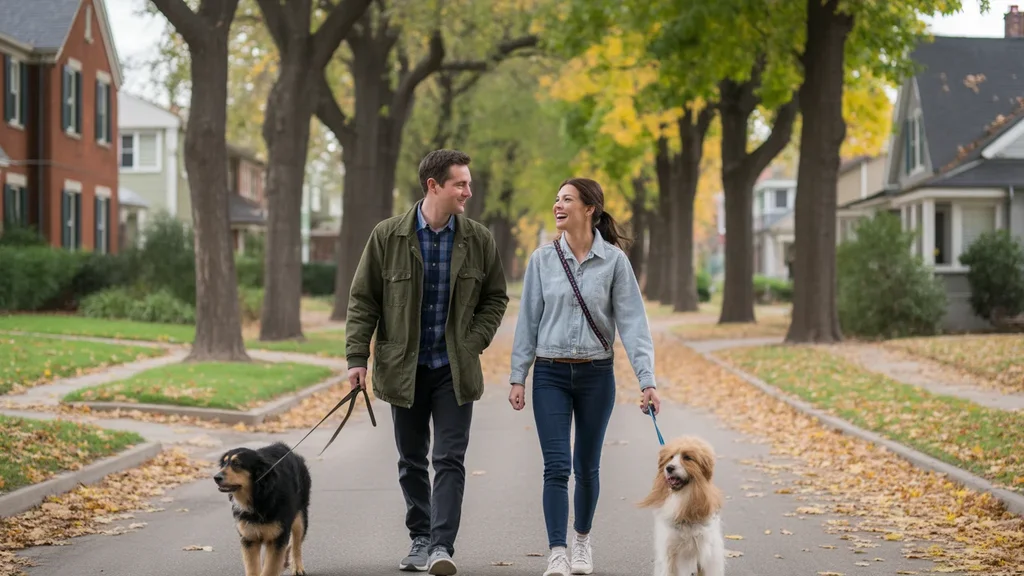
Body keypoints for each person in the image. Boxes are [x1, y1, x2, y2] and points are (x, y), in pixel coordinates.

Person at [345, 149, 509, 575]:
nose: (468, 192)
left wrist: (473, 341)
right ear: (434, 185)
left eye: (468, 184)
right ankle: (419, 536)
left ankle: (441, 546)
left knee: (450, 460)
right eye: (461, 184)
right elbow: (364, 300)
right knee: (411, 459)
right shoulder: (388, 236)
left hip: (454, 370)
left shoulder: (478, 239)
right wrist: (356, 358)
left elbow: (495, 298)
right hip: (404, 368)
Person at [508, 177, 660, 576]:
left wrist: (648, 380)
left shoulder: (614, 262)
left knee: (587, 467)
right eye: (556, 199)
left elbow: (633, 324)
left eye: (567, 200)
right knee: (556, 466)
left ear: (589, 208)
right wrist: (518, 376)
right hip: (550, 376)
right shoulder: (542, 260)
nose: (558, 205)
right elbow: (528, 322)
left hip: (596, 375)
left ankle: (582, 542)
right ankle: (557, 550)